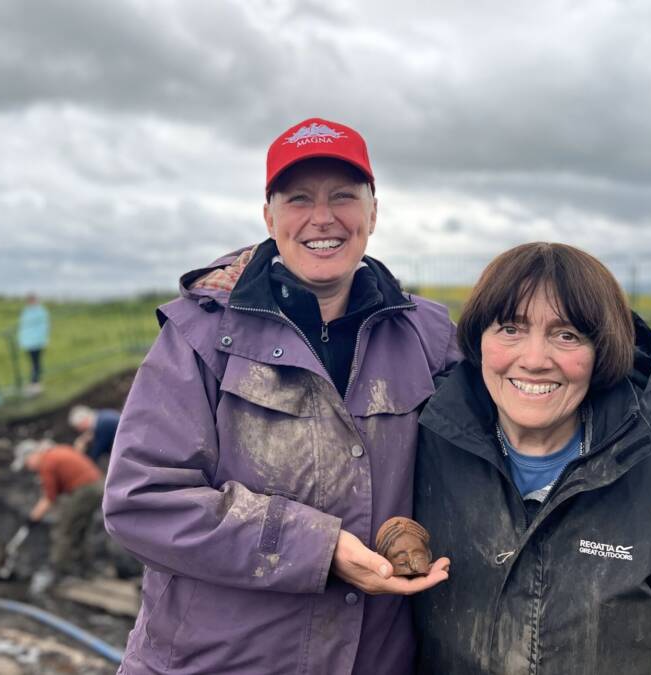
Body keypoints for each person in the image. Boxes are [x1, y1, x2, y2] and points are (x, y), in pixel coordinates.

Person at [103, 118, 457, 674]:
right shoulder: (201, 334)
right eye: (299, 199)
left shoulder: (428, 335)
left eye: (344, 196)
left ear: (373, 212)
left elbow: (516, 413)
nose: (323, 218)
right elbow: (141, 500)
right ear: (269, 216)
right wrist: (320, 548)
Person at [412, 243, 651, 673]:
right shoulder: (423, 441)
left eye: (566, 335)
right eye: (510, 328)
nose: (535, 360)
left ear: (601, 351)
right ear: (477, 341)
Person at [12, 439, 104, 581]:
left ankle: (59, 572)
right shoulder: (57, 451)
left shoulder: (47, 463)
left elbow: (49, 499)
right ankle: (85, 570)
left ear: (32, 455)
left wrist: (32, 519)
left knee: (64, 530)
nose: (28, 468)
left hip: (86, 490)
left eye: (26, 463)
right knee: (79, 529)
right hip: (97, 485)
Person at [17, 293, 50, 393]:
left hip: (37, 341)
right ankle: (34, 382)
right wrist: (22, 340)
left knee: (36, 362)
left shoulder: (41, 312)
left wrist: (42, 339)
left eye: (32, 300)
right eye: (30, 301)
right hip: (28, 342)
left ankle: (35, 383)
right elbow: (23, 327)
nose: (31, 302)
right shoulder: (26, 311)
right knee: (33, 362)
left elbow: (44, 327)